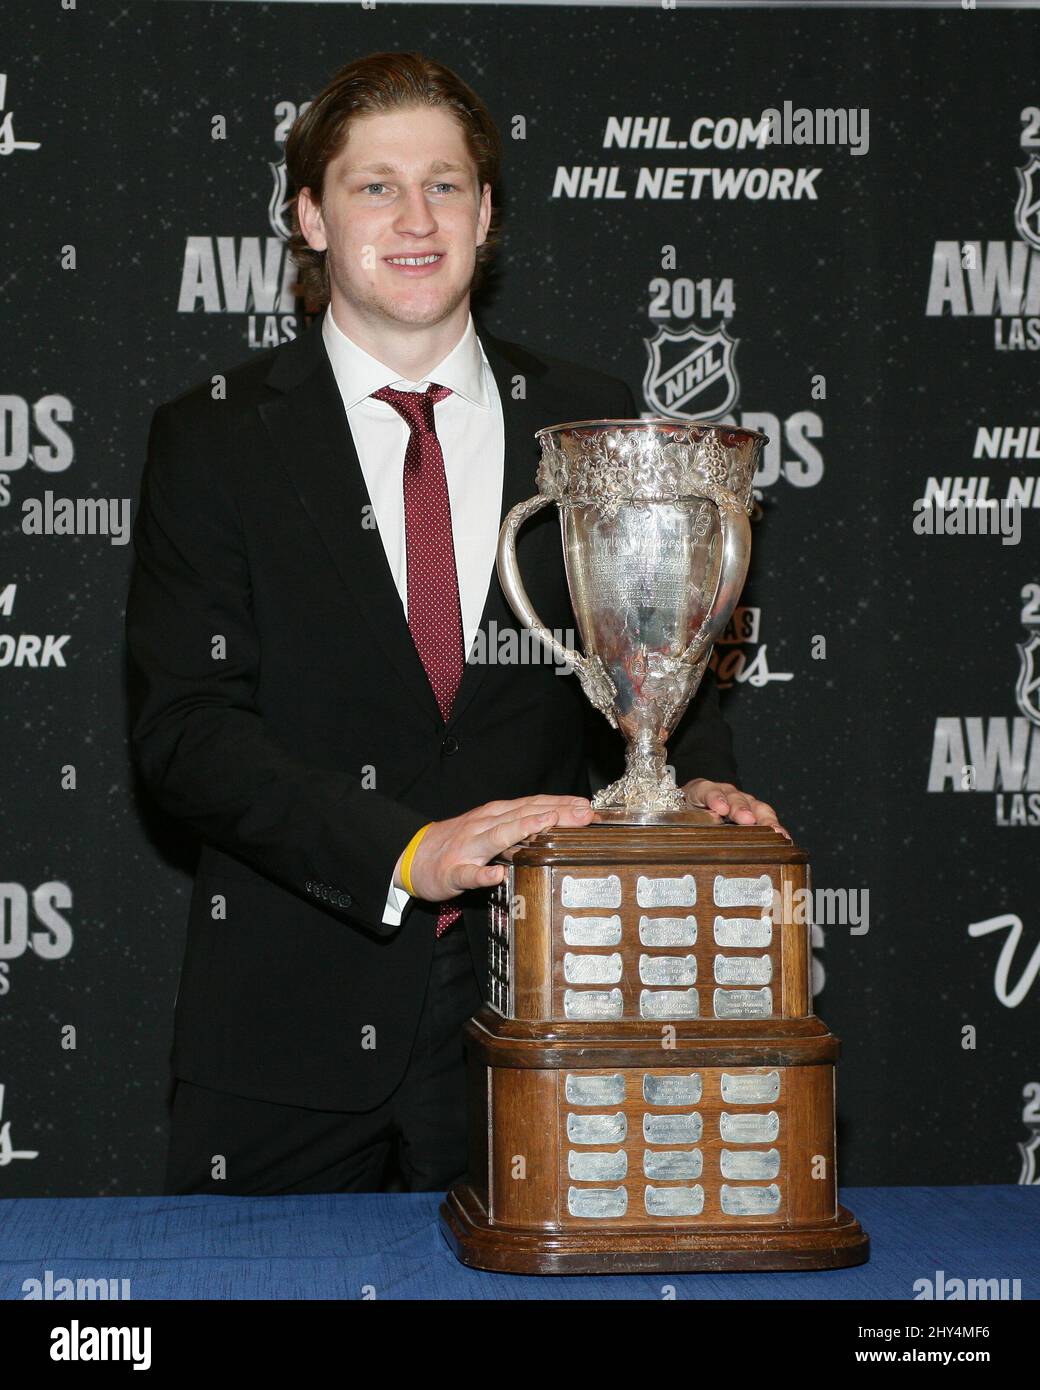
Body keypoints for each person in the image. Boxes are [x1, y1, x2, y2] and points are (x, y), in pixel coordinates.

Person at [125, 50, 787, 1198]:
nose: (414, 216)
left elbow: (651, 665)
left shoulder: (590, 425)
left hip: (547, 1020)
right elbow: (185, 732)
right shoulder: (215, 438)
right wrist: (406, 850)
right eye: (373, 185)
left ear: (486, 214)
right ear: (310, 218)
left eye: (443, 184)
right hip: (283, 1039)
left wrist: (691, 788)